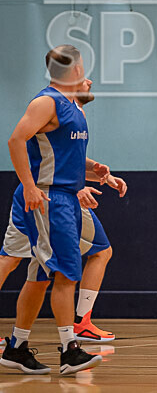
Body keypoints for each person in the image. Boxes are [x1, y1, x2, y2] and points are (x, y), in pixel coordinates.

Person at [1, 45, 112, 375]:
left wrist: (96, 171)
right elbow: (16, 141)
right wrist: (31, 187)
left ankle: (18, 347)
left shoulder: (71, 108)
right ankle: (69, 350)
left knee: (38, 278)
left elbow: (59, 157)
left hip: (65, 197)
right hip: (51, 201)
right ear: (77, 69)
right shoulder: (46, 102)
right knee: (65, 273)